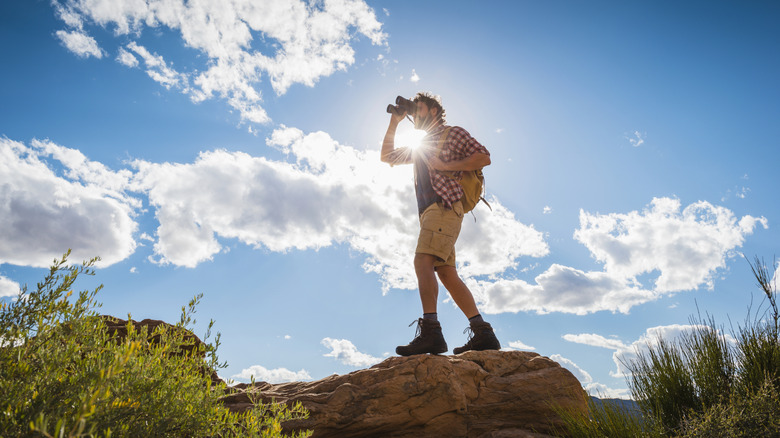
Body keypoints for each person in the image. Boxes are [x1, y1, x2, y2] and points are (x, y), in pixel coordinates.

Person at [380, 92, 500, 356]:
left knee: (422, 261)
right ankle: (483, 334)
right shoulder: (422, 145)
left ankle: (431, 332)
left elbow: (483, 157)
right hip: (432, 213)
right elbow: (387, 156)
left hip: (444, 206)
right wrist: (396, 121)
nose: (415, 114)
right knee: (446, 273)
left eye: (418, 108)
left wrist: (446, 165)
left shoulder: (451, 133)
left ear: (433, 111)